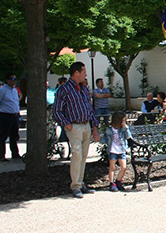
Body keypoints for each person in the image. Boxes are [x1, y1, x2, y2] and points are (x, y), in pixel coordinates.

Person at [53, 62, 100, 198]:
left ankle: (80, 182)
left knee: (83, 155)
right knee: (77, 154)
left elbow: (90, 109)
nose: (86, 74)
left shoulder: (84, 89)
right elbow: (57, 111)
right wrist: (68, 125)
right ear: (76, 73)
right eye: (84, 71)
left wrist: (94, 128)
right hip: (74, 126)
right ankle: (75, 185)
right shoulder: (64, 89)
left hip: (86, 125)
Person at [103, 111, 132, 191]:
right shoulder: (109, 130)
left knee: (124, 167)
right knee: (112, 167)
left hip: (121, 150)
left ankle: (118, 180)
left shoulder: (123, 129)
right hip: (113, 150)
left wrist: (126, 128)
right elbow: (105, 139)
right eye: (123, 120)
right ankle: (112, 183)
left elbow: (128, 137)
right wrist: (99, 139)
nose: (124, 122)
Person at [0, 73, 22, 161]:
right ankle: (1, 155)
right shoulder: (2, 90)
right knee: (3, 136)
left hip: (14, 115)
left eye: (15, 79)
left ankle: (15, 153)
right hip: (5, 115)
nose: (15, 81)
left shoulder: (15, 90)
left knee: (14, 136)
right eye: (12, 79)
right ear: (7, 80)